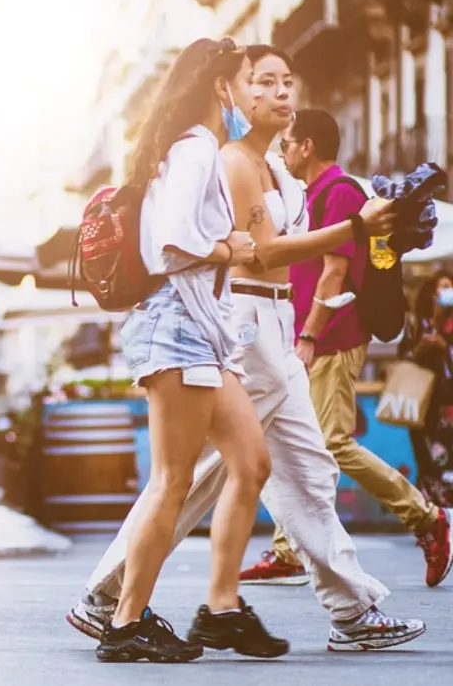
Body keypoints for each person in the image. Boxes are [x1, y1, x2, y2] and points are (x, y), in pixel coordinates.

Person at [68, 44, 424, 654]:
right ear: (228, 89)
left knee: (265, 467)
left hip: (235, 327)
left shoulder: (268, 165)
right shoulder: (213, 153)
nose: (280, 93)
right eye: (259, 81)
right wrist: (237, 245)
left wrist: (371, 231)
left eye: (288, 80)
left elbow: (266, 239)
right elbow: (208, 244)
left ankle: (250, 608)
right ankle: (118, 607)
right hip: (233, 320)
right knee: (190, 476)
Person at [87, 37, 285, 664]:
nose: (250, 95)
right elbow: (172, 243)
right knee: (172, 481)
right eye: (245, 82)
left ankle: (220, 609)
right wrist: (233, 248)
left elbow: (180, 234)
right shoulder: (196, 149)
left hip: (200, 331)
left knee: (251, 461)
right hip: (179, 328)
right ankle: (124, 623)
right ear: (219, 88)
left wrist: (223, 242)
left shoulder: (186, 151)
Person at [241, 107, 453, 588]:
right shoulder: (313, 193)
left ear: (307, 146)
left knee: (331, 442)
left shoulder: (339, 194)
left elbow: (335, 271)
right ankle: (288, 550)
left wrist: (310, 336)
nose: (282, 151)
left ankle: (426, 517)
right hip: (311, 336)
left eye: (287, 143)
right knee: (287, 438)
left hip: (332, 337)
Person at [398, 271, 453, 508]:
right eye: (443, 287)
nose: (447, 292)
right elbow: (404, 357)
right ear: (431, 293)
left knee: (446, 457)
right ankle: (431, 515)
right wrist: (421, 348)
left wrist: (445, 348)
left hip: (447, 402)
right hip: (421, 403)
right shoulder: (416, 325)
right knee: (426, 457)